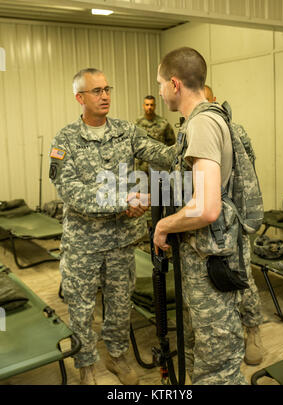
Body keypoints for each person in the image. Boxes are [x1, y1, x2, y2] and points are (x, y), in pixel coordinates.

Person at [49, 68, 175, 385]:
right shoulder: (65, 139)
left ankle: (116, 357)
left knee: (120, 307)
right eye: (96, 91)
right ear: (80, 97)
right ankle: (87, 367)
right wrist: (125, 200)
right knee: (81, 310)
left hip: (121, 243)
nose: (105, 96)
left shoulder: (125, 131)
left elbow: (162, 154)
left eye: (107, 89)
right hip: (83, 246)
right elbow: (71, 192)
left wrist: (197, 132)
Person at [154, 47, 248, 385]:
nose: (160, 89)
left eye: (161, 83)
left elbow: (208, 207)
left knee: (217, 364)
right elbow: (193, 188)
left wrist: (164, 225)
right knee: (203, 354)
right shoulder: (201, 121)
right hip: (201, 260)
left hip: (210, 261)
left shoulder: (203, 125)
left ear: (175, 84)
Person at [204, 84, 264, 366]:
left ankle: (253, 330)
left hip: (234, 220)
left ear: (214, 101)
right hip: (205, 225)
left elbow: (247, 177)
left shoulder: (235, 131)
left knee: (244, 277)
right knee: (213, 282)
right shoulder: (190, 133)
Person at [135, 95, 175, 175]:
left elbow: (171, 142)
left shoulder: (163, 123)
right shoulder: (137, 123)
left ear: (155, 106)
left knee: (158, 187)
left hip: (159, 166)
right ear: (143, 106)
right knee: (141, 187)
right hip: (141, 167)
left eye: (151, 105)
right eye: (147, 104)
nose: (149, 107)